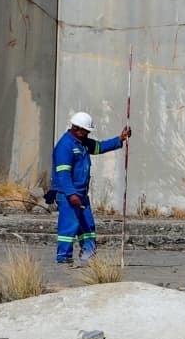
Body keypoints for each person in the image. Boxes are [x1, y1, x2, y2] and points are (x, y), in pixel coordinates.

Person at [51, 111, 131, 266]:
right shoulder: (65, 146)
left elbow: (99, 147)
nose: (87, 133)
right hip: (69, 194)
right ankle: (63, 257)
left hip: (81, 194)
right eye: (86, 131)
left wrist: (120, 139)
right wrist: (71, 194)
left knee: (87, 225)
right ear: (77, 129)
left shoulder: (82, 143)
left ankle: (88, 254)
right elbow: (63, 174)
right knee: (69, 225)